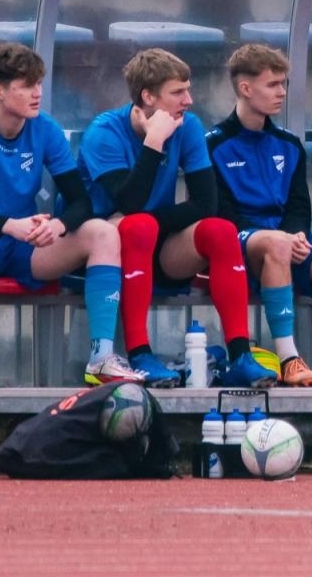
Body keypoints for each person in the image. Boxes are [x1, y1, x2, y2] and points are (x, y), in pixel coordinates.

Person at [0, 42, 132, 389]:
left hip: (25, 246)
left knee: (103, 232)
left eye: (39, 83)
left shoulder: (46, 129)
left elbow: (79, 202)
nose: (37, 93)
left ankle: (101, 356)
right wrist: (8, 225)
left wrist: (57, 225)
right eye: (27, 85)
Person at [79, 48, 273, 389]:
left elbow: (205, 203)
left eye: (188, 89)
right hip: (106, 252)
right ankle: (140, 354)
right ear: (148, 96)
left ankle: (241, 356)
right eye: (178, 92)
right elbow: (127, 200)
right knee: (138, 225)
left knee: (220, 230)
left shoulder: (189, 126)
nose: (189, 100)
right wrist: (154, 141)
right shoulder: (104, 132)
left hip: (158, 240)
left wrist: (155, 223)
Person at [206, 44, 312, 388]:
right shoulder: (213, 144)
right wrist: (281, 239)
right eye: (273, 85)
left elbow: (300, 204)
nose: (282, 93)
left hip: (288, 242)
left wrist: (296, 233)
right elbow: (220, 214)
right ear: (245, 88)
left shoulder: (288, 144)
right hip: (243, 246)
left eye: (283, 83)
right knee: (274, 244)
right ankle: (288, 359)